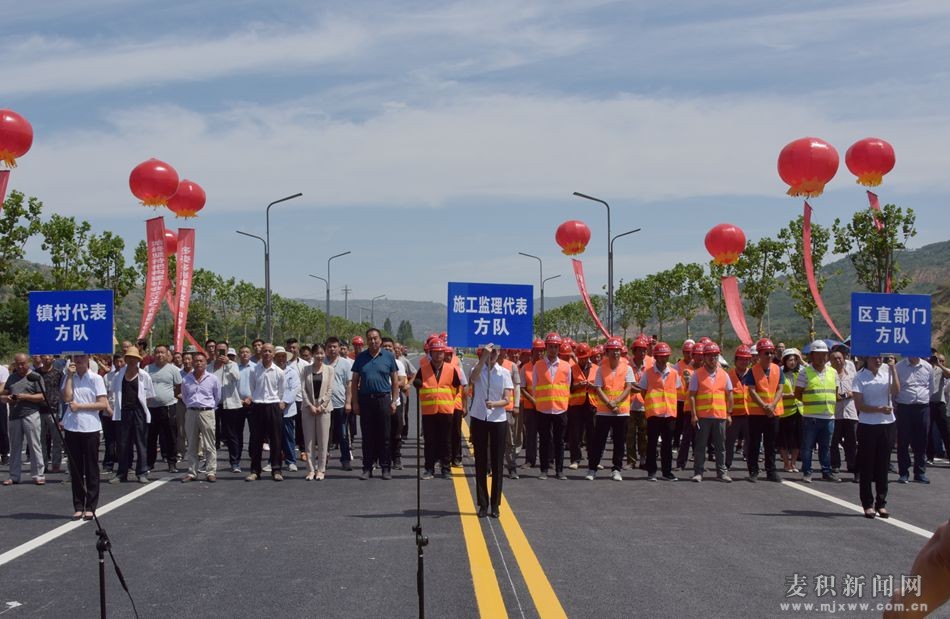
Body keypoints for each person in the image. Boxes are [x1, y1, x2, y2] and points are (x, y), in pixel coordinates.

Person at [61, 354, 109, 520]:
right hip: (72, 427)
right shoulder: (69, 376)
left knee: (91, 468)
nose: (79, 360)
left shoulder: (96, 378)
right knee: (75, 468)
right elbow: (67, 398)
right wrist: (68, 377)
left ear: (88, 358)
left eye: (82, 357)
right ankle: (78, 505)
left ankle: (91, 505)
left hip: (90, 426)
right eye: (76, 357)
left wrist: (80, 406)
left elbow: (102, 404)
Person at [468, 344, 513, 518]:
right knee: (480, 462)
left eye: (494, 352)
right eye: (489, 351)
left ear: (499, 352)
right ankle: (482, 504)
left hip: (498, 419)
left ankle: (495, 504)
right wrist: (483, 357)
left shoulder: (504, 373)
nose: (492, 354)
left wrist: (494, 404)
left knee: (497, 463)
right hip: (479, 418)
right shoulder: (477, 368)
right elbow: (472, 379)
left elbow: (507, 399)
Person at [852, 355, 900, 518]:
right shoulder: (860, 376)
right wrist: (878, 409)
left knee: (883, 465)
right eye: (875, 358)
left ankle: (881, 503)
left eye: (881, 358)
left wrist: (893, 368)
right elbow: (859, 405)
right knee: (867, 466)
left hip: (887, 424)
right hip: (868, 425)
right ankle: (867, 504)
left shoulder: (888, 371)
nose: (878, 361)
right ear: (867, 359)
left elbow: (896, 391)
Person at [351, 328, 399, 480]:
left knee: (385, 436)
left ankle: (386, 468)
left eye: (375, 338)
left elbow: (395, 381)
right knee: (367, 436)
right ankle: (367, 468)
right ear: (367, 341)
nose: (373, 341)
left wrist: (393, 401)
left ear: (380, 340)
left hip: (383, 400)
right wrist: (355, 403)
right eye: (370, 339)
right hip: (366, 400)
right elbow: (354, 382)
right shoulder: (361, 358)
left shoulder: (389, 356)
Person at [587, 337, 634, 481]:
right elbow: (598, 388)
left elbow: (629, 387)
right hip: (604, 411)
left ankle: (616, 469)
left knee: (619, 442)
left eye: (618, 351)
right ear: (607, 352)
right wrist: (609, 404)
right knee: (598, 441)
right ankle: (592, 468)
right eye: (613, 351)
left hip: (621, 412)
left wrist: (617, 403)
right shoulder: (601, 368)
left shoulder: (627, 368)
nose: (616, 353)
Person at [414, 339, 461, 479]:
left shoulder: (451, 369)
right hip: (429, 411)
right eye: (435, 352)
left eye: (440, 352)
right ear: (430, 353)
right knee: (430, 441)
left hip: (446, 410)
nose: (438, 355)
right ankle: (429, 468)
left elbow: (456, 387)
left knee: (446, 440)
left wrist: (448, 401)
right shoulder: (423, 370)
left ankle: (446, 469)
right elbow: (417, 385)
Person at [795, 340, 840, 483]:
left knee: (826, 447)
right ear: (812, 356)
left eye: (824, 355)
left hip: (829, 416)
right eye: (819, 355)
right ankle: (807, 472)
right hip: (811, 416)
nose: (822, 358)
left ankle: (826, 471)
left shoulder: (833, 372)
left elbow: (836, 392)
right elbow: (798, 393)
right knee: (807, 446)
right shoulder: (805, 373)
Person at [109, 347, 155, 484]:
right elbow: (113, 393)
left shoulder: (144, 375)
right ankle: (122, 473)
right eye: (129, 358)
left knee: (141, 443)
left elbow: (149, 396)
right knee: (123, 444)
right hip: (123, 412)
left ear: (138, 360)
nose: (131, 360)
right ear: (126, 359)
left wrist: (141, 408)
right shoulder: (118, 375)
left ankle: (141, 472)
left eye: (134, 358)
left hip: (139, 412)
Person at [689, 341, 733, 482]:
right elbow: (692, 395)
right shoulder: (697, 374)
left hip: (720, 416)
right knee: (700, 446)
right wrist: (694, 415)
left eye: (715, 355)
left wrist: (729, 414)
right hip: (703, 417)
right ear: (704, 357)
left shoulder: (724, 375)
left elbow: (729, 395)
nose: (712, 358)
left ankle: (722, 473)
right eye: (709, 355)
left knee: (720, 446)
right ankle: (698, 472)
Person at [1, 353, 47, 485]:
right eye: (18, 364)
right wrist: (7, 399)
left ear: (28, 362)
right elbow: (5, 394)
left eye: (23, 363)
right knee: (15, 447)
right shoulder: (12, 378)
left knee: (34, 444)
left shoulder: (35, 377)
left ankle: (38, 474)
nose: (20, 366)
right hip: (14, 415)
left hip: (30, 414)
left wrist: (25, 397)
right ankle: (14, 475)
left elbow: (42, 396)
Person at [637, 342, 680, 481]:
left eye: (666, 356)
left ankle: (667, 472)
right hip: (654, 413)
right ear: (655, 357)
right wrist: (652, 404)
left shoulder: (674, 373)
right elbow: (643, 391)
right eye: (661, 356)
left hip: (669, 413)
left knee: (667, 444)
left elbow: (677, 390)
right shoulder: (648, 373)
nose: (664, 359)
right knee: (652, 443)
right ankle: (652, 471)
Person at [743, 338, 783, 483]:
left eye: (772, 353)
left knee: (771, 444)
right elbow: (752, 391)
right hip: (757, 413)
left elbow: (780, 388)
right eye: (767, 353)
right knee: (754, 443)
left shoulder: (777, 369)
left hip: (773, 412)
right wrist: (764, 406)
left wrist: (772, 405)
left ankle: (771, 471)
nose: (770, 356)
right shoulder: (753, 371)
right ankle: (753, 471)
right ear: (759, 354)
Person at [533, 332, 573, 480]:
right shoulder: (538, 365)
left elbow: (567, 386)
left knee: (559, 441)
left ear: (559, 348)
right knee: (544, 440)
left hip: (560, 409)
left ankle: (559, 470)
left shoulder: (566, 366)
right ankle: (544, 470)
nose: (553, 350)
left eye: (556, 347)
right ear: (546, 347)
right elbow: (535, 386)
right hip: (543, 409)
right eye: (550, 347)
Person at [894, 354, 937, 484]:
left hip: (922, 408)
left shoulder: (927, 367)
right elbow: (895, 387)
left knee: (922, 441)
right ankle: (903, 473)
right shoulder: (899, 366)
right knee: (903, 441)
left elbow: (931, 388)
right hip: (904, 407)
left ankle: (920, 472)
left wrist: (923, 400)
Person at [247, 344, 287, 482]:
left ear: (273, 354)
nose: (267, 353)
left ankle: (276, 469)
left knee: (276, 440)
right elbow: (252, 388)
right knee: (256, 440)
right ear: (261, 353)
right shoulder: (254, 370)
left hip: (273, 406)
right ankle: (255, 471)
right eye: (264, 351)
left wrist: (278, 403)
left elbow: (281, 390)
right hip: (258, 406)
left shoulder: (279, 372)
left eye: (270, 351)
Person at [180, 352, 221, 482]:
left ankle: (210, 471)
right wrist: (192, 407)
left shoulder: (213, 379)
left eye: (201, 361)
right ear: (192, 363)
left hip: (207, 412)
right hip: (191, 412)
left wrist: (208, 408)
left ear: (206, 363)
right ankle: (192, 472)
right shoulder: (186, 379)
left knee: (209, 444)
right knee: (192, 443)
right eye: (196, 361)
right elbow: (185, 397)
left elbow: (217, 397)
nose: (198, 363)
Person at [299, 344, 335, 481]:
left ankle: (321, 470)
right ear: (312, 355)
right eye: (316, 353)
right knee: (308, 442)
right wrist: (310, 405)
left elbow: (330, 390)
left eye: (321, 353)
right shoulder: (305, 370)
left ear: (324, 353)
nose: (319, 356)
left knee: (323, 442)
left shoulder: (329, 370)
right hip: (308, 409)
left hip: (324, 409)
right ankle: (310, 470)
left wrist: (321, 405)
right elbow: (303, 390)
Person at [146, 345, 182, 474]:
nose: (159, 355)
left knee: (170, 436)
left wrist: (171, 397)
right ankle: (149, 463)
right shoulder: (147, 369)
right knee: (150, 437)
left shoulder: (174, 370)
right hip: (151, 408)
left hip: (168, 407)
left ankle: (172, 463)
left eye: (162, 352)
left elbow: (178, 387)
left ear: (168, 355)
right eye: (157, 352)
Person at [325, 337, 354, 471]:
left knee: (343, 434)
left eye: (335, 346)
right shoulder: (321, 362)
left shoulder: (346, 364)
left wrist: (348, 402)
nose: (332, 349)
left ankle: (345, 459)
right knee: (324, 435)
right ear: (326, 349)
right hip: (324, 405)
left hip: (340, 404)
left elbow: (349, 384)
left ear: (339, 348)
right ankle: (323, 459)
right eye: (330, 346)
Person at [213, 344, 243, 474]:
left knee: (231, 434)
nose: (221, 353)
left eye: (223, 350)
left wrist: (227, 365)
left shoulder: (232, 365)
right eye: (218, 350)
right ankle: (209, 463)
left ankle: (235, 462)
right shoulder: (209, 366)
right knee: (212, 435)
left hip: (229, 404)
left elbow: (236, 377)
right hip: (213, 404)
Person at [567, 343, 596, 470]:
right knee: (575, 434)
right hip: (576, 405)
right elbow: (568, 388)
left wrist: (592, 386)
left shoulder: (596, 368)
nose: (583, 360)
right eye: (581, 358)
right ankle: (575, 459)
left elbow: (600, 387)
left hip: (591, 404)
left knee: (592, 433)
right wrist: (578, 385)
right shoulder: (571, 369)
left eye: (585, 357)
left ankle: (593, 459)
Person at [626, 335, 654, 469]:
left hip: (644, 405)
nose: (643, 353)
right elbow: (627, 386)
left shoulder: (649, 367)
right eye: (640, 351)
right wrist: (639, 387)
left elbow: (649, 385)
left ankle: (643, 459)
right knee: (630, 435)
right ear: (634, 352)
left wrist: (636, 387)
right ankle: (631, 461)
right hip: (630, 406)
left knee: (644, 435)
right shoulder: (627, 367)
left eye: (644, 350)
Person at [830, 349, 858, 481]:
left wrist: (844, 395)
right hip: (835, 413)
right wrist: (844, 395)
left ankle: (852, 464)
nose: (838, 360)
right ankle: (835, 464)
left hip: (850, 413)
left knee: (851, 442)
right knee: (834, 441)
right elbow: (833, 395)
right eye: (834, 358)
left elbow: (855, 392)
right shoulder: (830, 375)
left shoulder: (852, 375)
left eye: (840, 358)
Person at [34, 355, 64, 474]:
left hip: (54, 409)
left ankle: (56, 464)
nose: (47, 359)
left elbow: (62, 391)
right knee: (40, 440)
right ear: (41, 358)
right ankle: (43, 464)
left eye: (49, 357)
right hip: (38, 410)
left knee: (57, 440)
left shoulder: (59, 373)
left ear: (53, 359)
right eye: (44, 357)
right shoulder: (35, 374)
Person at [676, 342, 704, 471]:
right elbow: (689, 387)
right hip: (689, 409)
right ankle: (681, 464)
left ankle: (700, 465)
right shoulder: (688, 371)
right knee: (686, 438)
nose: (700, 357)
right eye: (697, 355)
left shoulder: (708, 370)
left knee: (700, 440)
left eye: (703, 355)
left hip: (703, 409)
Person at [381, 337, 407, 469]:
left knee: (396, 432)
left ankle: (396, 458)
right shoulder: (377, 362)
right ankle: (381, 459)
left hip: (395, 401)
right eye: (384, 346)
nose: (387, 348)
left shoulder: (398, 363)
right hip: (380, 402)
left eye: (389, 346)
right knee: (381, 432)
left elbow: (402, 381)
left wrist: (391, 384)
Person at [274, 346, 301, 473]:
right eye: (278, 356)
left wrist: (284, 402)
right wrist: (276, 403)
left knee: (288, 436)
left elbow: (294, 388)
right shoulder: (270, 371)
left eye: (283, 356)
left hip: (288, 409)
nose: (281, 359)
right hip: (273, 408)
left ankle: (291, 461)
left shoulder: (292, 372)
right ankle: (273, 461)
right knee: (274, 437)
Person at [725, 345, 752, 472]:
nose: (744, 361)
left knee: (751, 442)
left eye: (746, 359)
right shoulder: (728, 375)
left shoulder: (753, 375)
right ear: (735, 360)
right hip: (733, 414)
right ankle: (726, 464)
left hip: (750, 414)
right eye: (741, 359)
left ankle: (752, 465)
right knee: (729, 442)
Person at [519, 339, 544, 472]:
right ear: (532, 352)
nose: (540, 354)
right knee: (531, 435)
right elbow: (522, 387)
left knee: (547, 434)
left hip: (546, 406)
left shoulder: (546, 366)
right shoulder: (525, 368)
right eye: (538, 351)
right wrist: (533, 400)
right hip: (530, 406)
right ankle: (530, 460)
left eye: (542, 351)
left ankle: (548, 460)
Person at [778, 348, 804, 473]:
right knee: (784, 439)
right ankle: (786, 463)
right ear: (784, 361)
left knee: (797, 439)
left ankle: (793, 463)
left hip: (799, 411)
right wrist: (792, 395)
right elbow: (778, 394)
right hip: (785, 412)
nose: (792, 362)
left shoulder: (800, 373)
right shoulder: (780, 373)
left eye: (794, 359)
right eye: (789, 360)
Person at [233, 345, 255, 473]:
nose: (244, 354)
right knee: (237, 434)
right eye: (242, 352)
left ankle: (253, 456)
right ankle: (236, 461)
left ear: (250, 354)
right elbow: (232, 386)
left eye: (247, 352)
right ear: (238, 355)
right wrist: (239, 399)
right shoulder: (235, 368)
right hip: (238, 403)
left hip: (252, 403)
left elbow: (259, 386)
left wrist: (250, 398)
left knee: (254, 432)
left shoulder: (256, 368)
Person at [928, 352, 950, 464]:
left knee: (946, 430)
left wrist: (939, 365)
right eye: (937, 360)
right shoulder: (926, 368)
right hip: (928, 403)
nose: (938, 362)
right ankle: (929, 457)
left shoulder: (941, 369)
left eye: (942, 360)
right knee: (928, 431)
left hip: (940, 403)